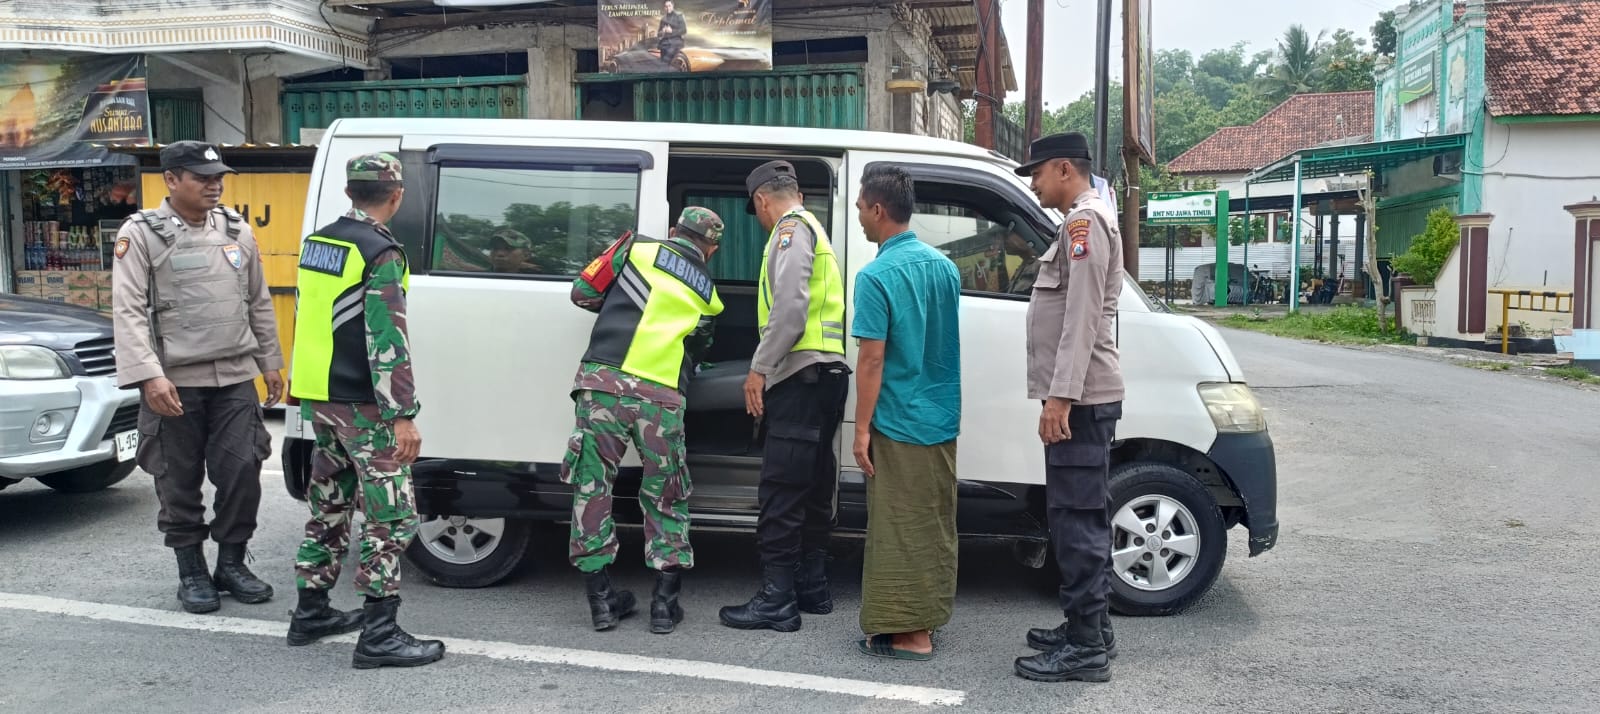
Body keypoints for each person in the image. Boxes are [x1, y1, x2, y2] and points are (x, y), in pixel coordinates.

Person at [286, 152, 445, 669]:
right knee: (391, 518)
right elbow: (386, 336)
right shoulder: (381, 251)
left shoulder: (320, 242)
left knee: (329, 505)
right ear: (396, 196)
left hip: (320, 396)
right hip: (362, 403)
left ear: (350, 192)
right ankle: (379, 635)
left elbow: (311, 316)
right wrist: (402, 412)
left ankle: (311, 612)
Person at [111, 140, 282, 615]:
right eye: (202, 177)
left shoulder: (235, 229)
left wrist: (271, 361)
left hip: (233, 376)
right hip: (174, 382)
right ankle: (192, 571)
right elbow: (127, 311)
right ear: (171, 180)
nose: (214, 185)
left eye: (218, 177)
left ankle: (231, 564)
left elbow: (258, 301)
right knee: (177, 479)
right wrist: (148, 376)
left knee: (243, 471)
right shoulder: (141, 233)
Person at [563, 207, 725, 635]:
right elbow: (700, 347)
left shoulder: (634, 247)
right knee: (666, 492)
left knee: (592, 486)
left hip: (603, 385)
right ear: (710, 249)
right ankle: (663, 606)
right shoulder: (708, 292)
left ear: (674, 232)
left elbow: (582, 292)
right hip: (660, 398)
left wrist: (618, 304)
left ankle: (601, 603)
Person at [1011, 132, 1125, 683]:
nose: (1032, 183)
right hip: (1085, 396)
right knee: (1081, 516)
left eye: (1036, 172)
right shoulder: (1082, 219)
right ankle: (1091, 628)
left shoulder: (1084, 222)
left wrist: (1060, 397)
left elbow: (1080, 319)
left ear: (1063, 169)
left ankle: (1085, 649)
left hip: (1080, 399)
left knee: (1076, 520)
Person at [719, 160, 850, 633]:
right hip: (827, 373)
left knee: (781, 488)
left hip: (800, 375)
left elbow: (791, 311)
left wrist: (758, 368)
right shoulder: (816, 228)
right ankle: (812, 588)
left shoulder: (790, 232)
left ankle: (777, 600)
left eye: (755, 210)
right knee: (814, 484)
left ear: (762, 200)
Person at [848, 165, 962, 661]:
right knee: (933, 520)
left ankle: (911, 633)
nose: (856, 216)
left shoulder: (875, 277)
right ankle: (926, 618)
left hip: (897, 419)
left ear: (878, 209)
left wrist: (860, 428)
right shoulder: (946, 268)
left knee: (897, 525)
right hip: (940, 415)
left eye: (858, 208)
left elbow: (871, 359)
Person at [657, 0, 687, 69]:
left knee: (666, 66)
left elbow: (684, 30)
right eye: (666, 6)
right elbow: (658, 34)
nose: (668, 8)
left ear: (673, 6)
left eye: (669, 6)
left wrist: (672, 31)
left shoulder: (679, 16)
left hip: (675, 44)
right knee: (663, 66)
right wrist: (662, 31)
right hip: (664, 45)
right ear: (664, 8)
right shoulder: (663, 19)